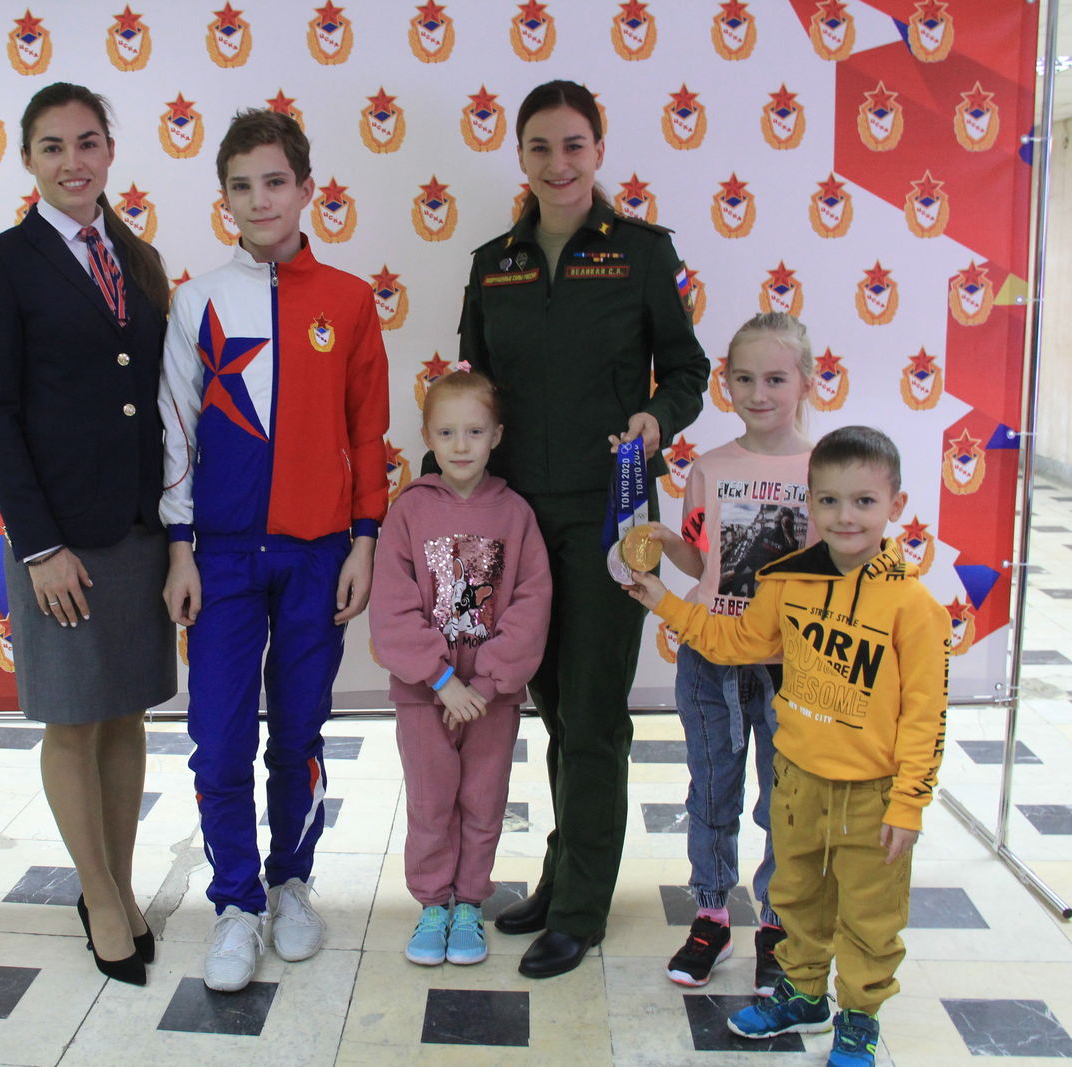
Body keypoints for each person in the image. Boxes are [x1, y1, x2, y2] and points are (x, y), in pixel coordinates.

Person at [458, 79, 709, 978]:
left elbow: (688, 370)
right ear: (520, 156)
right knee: (553, 705)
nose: (558, 163)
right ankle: (565, 871)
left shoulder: (642, 252)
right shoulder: (494, 263)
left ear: (598, 150)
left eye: (573, 144)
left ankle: (580, 908)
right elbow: (475, 388)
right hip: (518, 519)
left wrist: (655, 418)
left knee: (595, 712)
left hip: (612, 517)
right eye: (540, 146)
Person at [626, 426, 949, 1067]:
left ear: (896, 505)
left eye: (863, 501)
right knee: (797, 897)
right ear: (809, 502)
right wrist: (665, 603)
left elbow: (926, 715)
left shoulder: (913, 605)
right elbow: (736, 643)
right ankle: (803, 995)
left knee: (869, 914)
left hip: (872, 794)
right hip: (797, 781)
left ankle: (859, 1017)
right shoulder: (786, 580)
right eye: (828, 501)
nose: (845, 516)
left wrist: (909, 803)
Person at [158, 109, 389, 993]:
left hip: (318, 554)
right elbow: (177, 433)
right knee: (218, 741)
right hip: (219, 557)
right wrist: (181, 548)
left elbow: (367, 431)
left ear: (306, 189)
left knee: (298, 735)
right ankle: (234, 902)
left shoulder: (349, 300)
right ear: (224, 197)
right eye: (241, 185)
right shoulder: (196, 300)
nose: (260, 200)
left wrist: (364, 539)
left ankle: (292, 884)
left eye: (275, 182)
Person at [0, 82, 175, 987]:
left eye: (87, 142)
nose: (73, 161)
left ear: (109, 151)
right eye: (52, 147)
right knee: (73, 717)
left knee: (125, 711)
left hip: (135, 527)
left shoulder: (138, 256)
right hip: (60, 541)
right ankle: (97, 897)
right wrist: (38, 545)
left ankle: (118, 884)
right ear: (28, 160)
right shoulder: (1, 263)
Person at [650, 313, 816, 995]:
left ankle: (778, 921)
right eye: (744, 379)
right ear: (725, 383)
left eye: (775, 378)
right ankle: (712, 913)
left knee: (786, 799)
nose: (758, 393)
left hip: (791, 666)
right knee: (712, 788)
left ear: (806, 381)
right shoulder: (710, 469)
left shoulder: (823, 468)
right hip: (711, 657)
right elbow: (703, 561)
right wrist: (666, 542)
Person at [369, 369, 552, 968]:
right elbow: (392, 606)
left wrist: (487, 682)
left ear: (496, 435)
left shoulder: (516, 514)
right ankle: (432, 904)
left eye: (475, 431)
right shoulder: (408, 512)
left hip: (491, 700)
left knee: (482, 800)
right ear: (426, 437)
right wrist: (443, 680)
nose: (461, 445)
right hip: (425, 696)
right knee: (430, 802)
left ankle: (469, 902)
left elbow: (531, 603)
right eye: (446, 433)